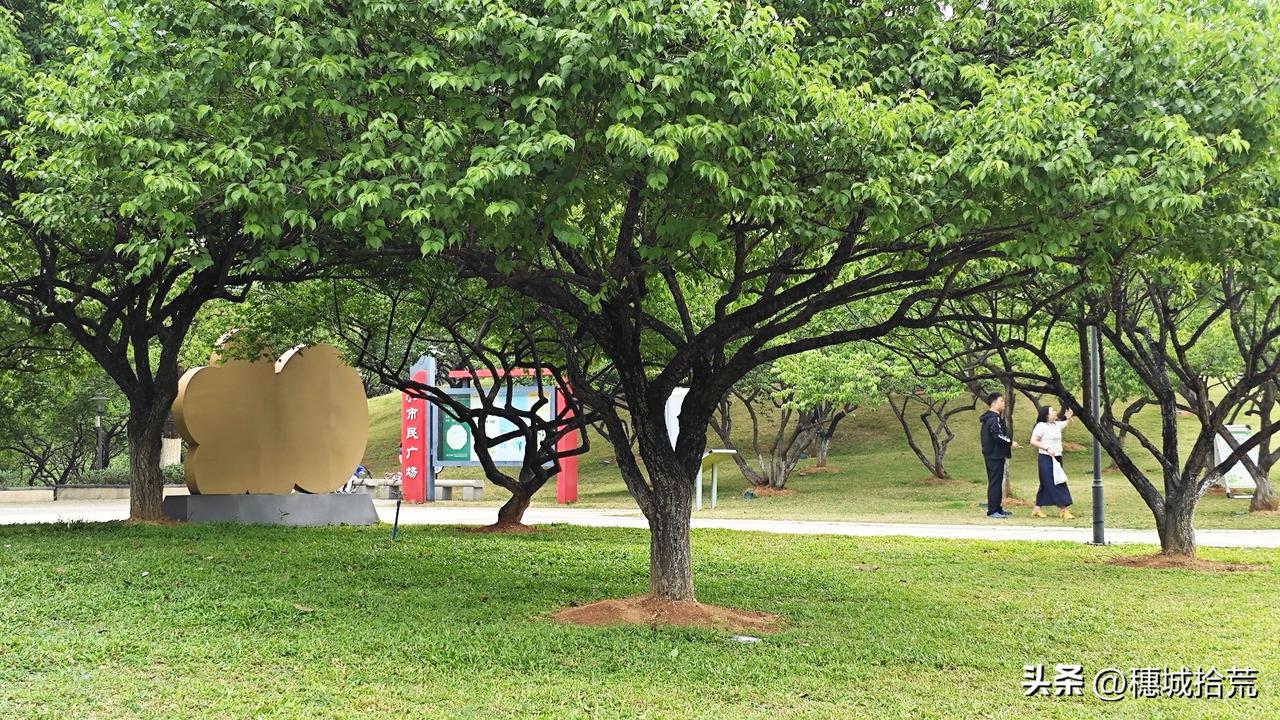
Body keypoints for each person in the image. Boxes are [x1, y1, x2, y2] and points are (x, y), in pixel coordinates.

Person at [1029, 406, 1075, 519]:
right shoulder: (1041, 426)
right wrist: (1047, 448)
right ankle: (1063, 509)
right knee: (1054, 482)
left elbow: (1068, 424)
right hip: (1046, 458)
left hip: (1057, 457)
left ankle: (1037, 509)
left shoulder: (1056, 425)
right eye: (1052, 411)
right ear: (1046, 415)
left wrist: (1069, 418)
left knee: (1046, 483)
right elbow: (1033, 441)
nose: (1055, 412)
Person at [979, 393, 1018, 518]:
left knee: (996, 482)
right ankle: (992, 511)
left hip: (992, 454)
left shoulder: (991, 418)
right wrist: (1010, 443)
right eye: (1001, 401)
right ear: (994, 403)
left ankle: (997, 508)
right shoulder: (994, 419)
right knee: (995, 483)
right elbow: (998, 435)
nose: (1004, 403)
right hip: (994, 455)